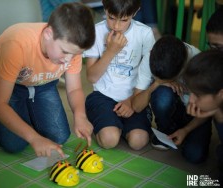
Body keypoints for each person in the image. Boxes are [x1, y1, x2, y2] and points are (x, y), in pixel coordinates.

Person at [0, 2, 95, 157]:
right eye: (64, 52)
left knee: (59, 137)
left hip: (42, 82)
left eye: (75, 55)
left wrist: (80, 115)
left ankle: (29, 110)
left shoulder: (72, 48)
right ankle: (27, 111)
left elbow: (74, 89)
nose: (68, 60)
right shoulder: (17, 45)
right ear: (48, 34)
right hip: (9, 84)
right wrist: (34, 138)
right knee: (14, 144)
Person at [84, 0, 155, 150]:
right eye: (111, 17)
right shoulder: (96, 31)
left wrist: (131, 101)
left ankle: (118, 125)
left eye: (124, 20)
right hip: (103, 95)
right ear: (104, 8)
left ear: (135, 13)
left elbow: (149, 74)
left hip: (135, 95)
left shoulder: (145, 33)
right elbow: (91, 77)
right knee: (109, 140)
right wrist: (110, 51)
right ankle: (110, 124)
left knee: (138, 141)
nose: (116, 26)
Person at [132, 35, 212, 164]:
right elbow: (136, 106)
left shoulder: (199, 63)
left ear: (182, 69)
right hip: (174, 109)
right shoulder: (153, 57)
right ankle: (166, 130)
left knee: (194, 156)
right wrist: (157, 83)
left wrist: (186, 130)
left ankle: (183, 132)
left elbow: (209, 111)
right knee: (162, 93)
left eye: (169, 78)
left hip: (197, 114)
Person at [182, 50, 223, 183]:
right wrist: (185, 130)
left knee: (191, 181)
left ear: (221, 94)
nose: (191, 100)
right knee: (189, 180)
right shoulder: (216, 105)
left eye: (198, 95)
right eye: (191, 93)